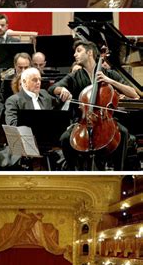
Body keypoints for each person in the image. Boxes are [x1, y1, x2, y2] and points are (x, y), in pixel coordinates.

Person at [48, 41, 139, 170]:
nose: (75, 54)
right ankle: (74, 173)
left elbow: (133, 93)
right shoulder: (75, 76)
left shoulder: (108, 74)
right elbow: (53, 88)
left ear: (89, 53)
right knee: (65, 139)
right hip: (82, 122)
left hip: (106, 121)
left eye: (79, 51)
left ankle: (119, 173)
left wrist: (110, 81)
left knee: (123, 133)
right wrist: (62, 90)